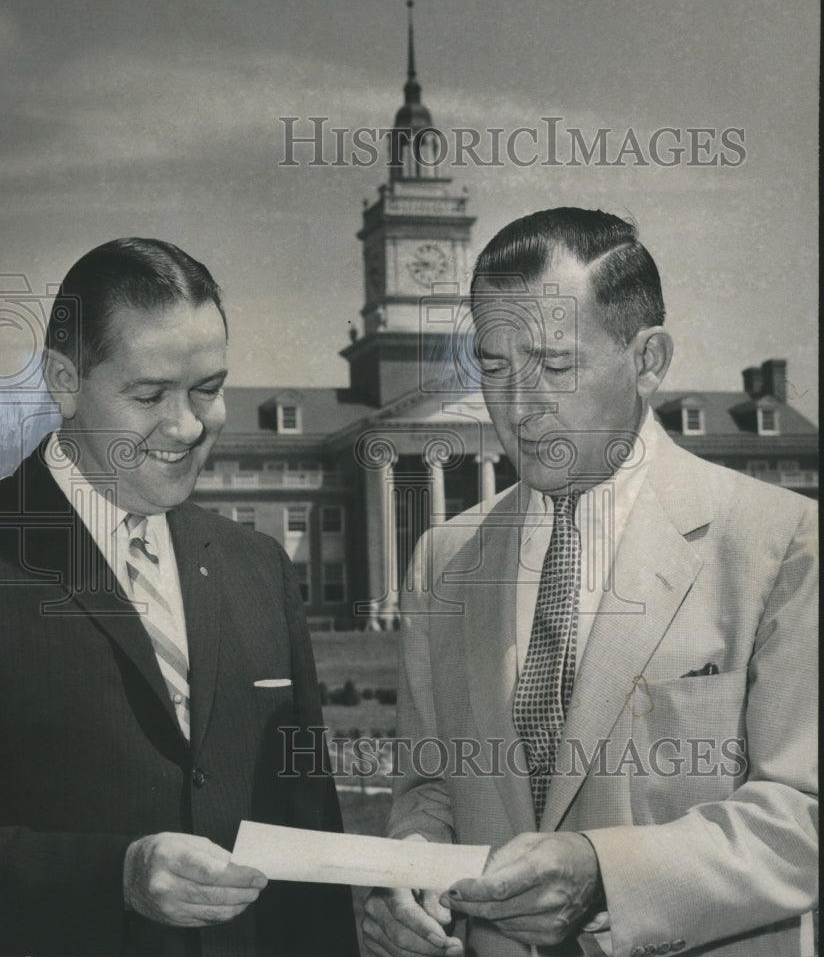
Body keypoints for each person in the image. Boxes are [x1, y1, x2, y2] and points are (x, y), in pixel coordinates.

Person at [363, 208, 817, 957]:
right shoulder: (443, 560)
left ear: (648, 359)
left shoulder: (780, 545)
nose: (517, 405)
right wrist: (407, 883)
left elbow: (802, 817)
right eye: (496, 367)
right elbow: (430, 792)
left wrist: (607, 875)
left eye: (556, 365)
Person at [0, 238, 358, 956]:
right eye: (149, 395)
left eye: (207, 389)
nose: (189, 427)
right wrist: (118, 873)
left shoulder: (257, 566)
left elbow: (308, 818)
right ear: (64, 382)